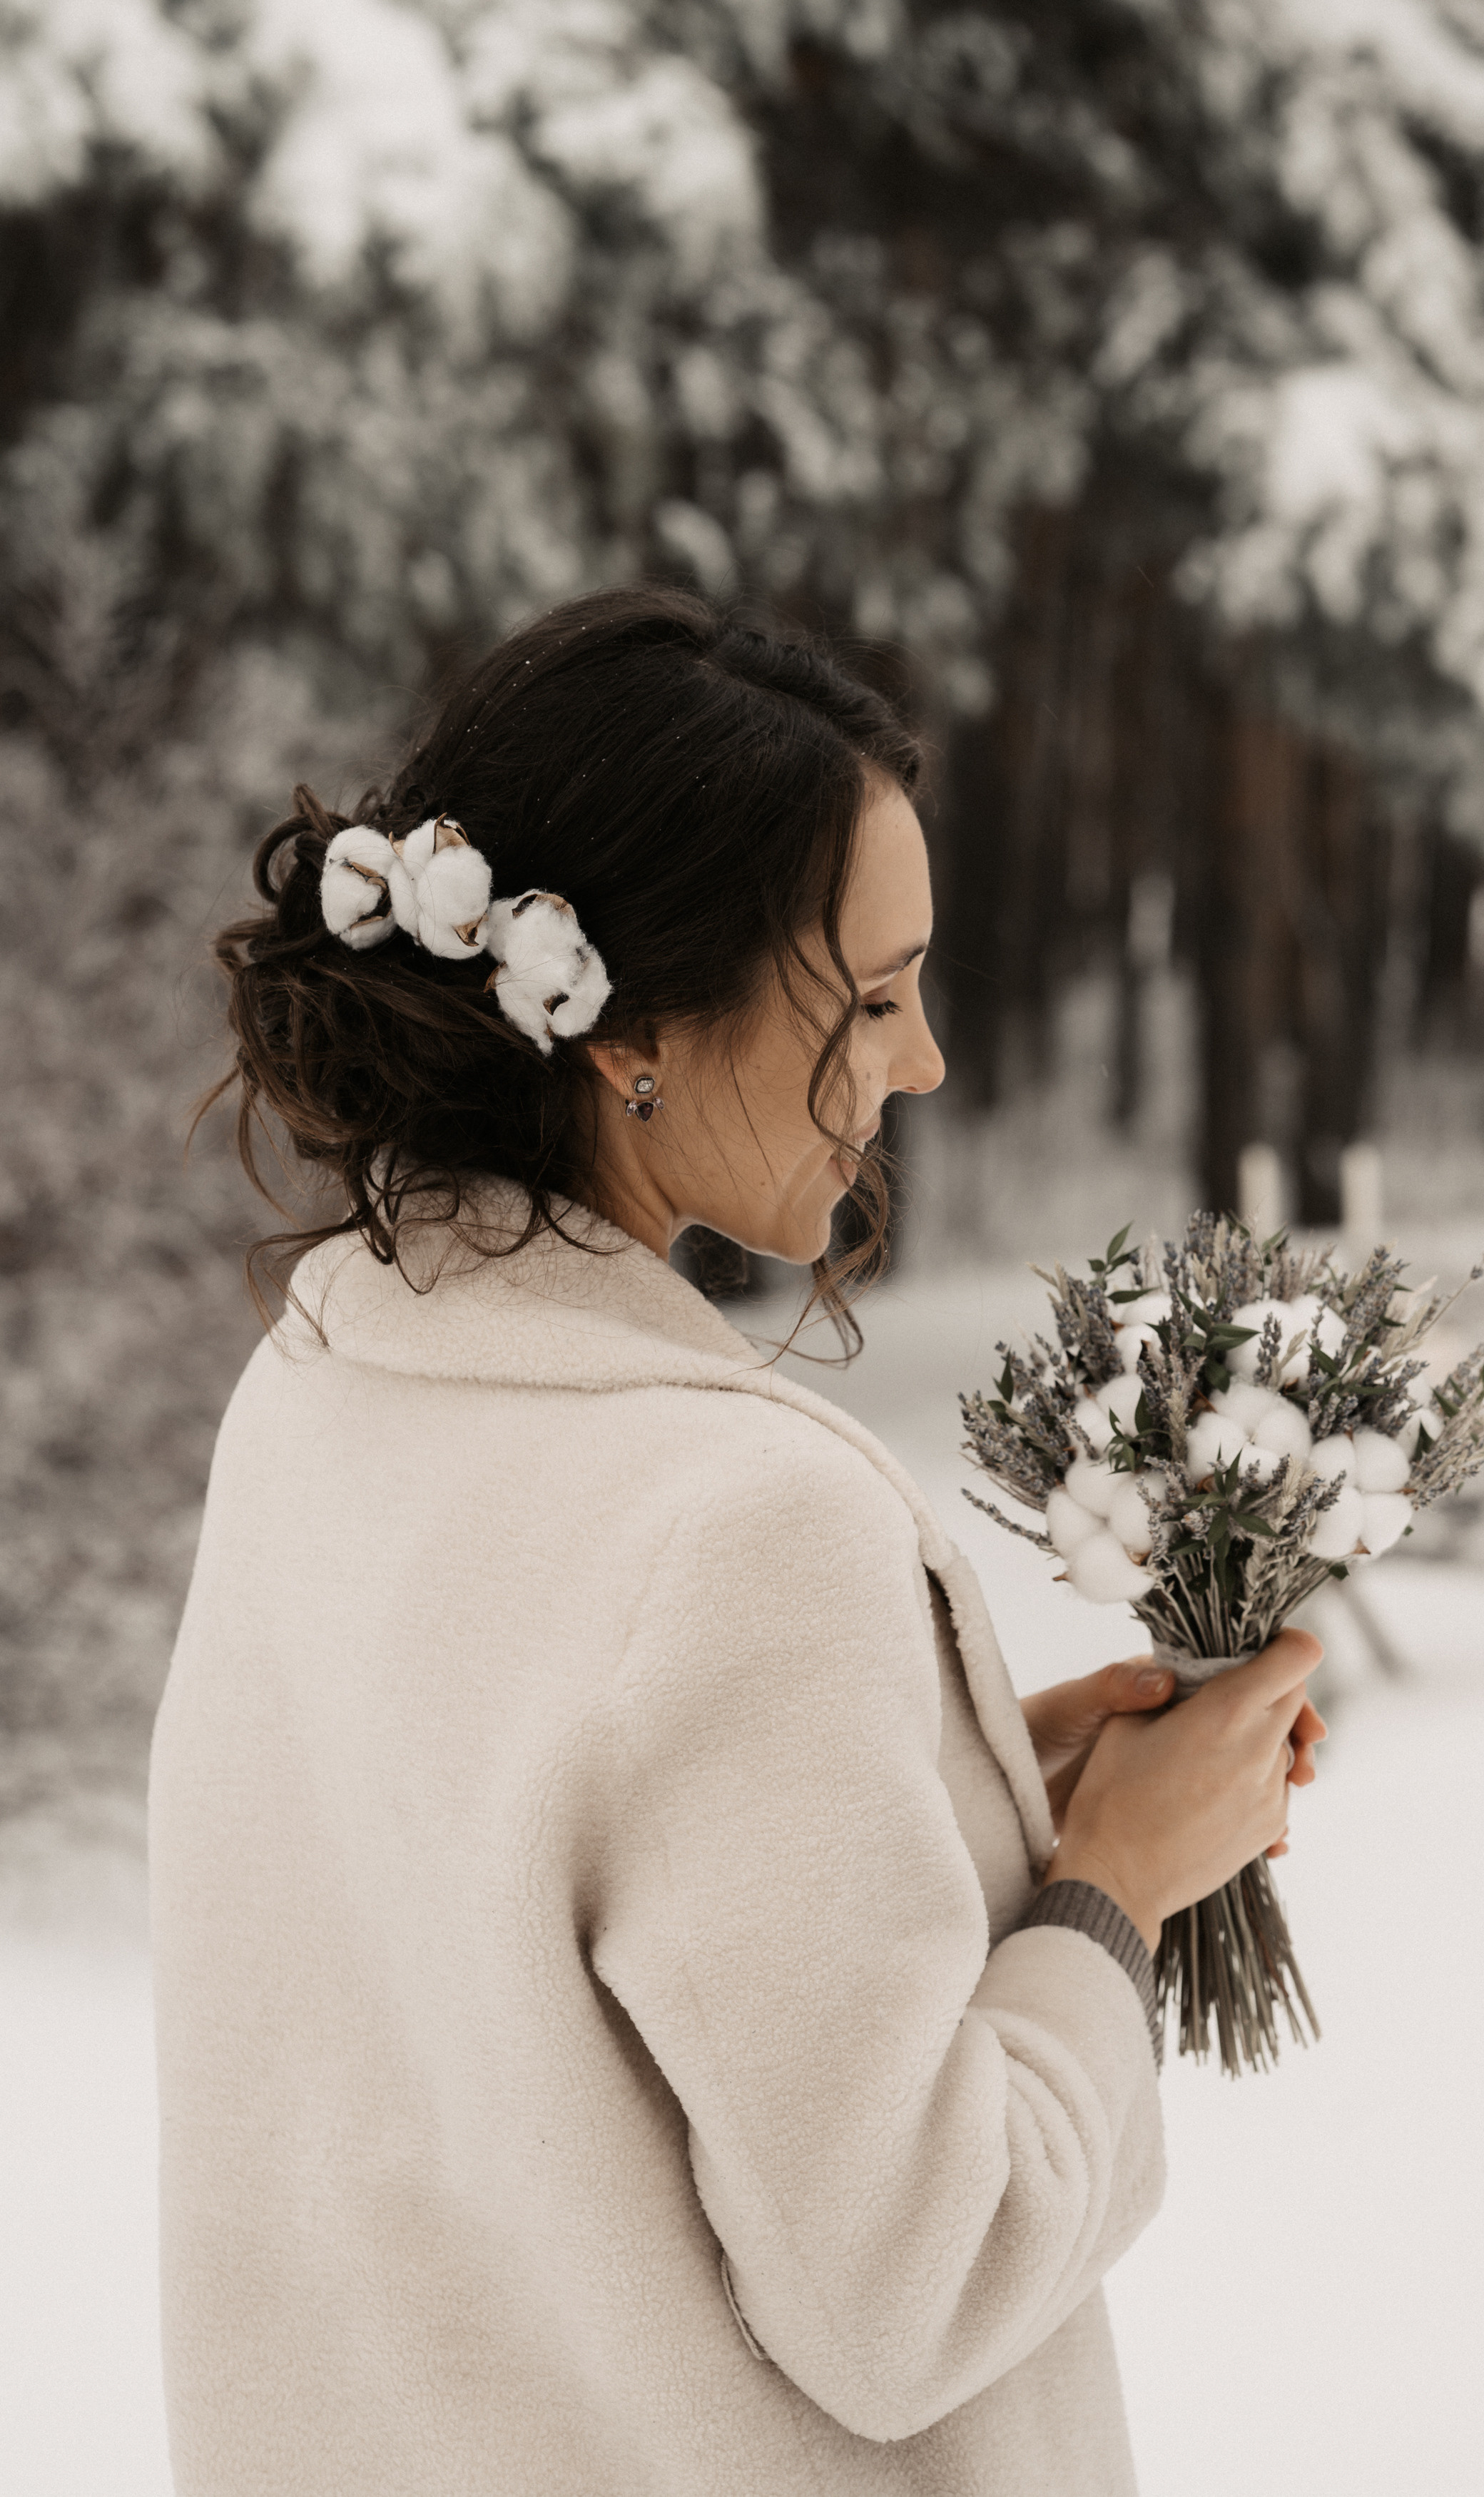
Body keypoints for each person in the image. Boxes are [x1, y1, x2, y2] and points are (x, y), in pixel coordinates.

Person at [150, 586, 1324, 2496]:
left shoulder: (320, 1388)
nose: (923, 1060)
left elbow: (504, 1927)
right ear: (627, 1028)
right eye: (872, 996)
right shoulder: (739, 1525)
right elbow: (916, 2283)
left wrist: (950, 1791)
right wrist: (1115, 1886)